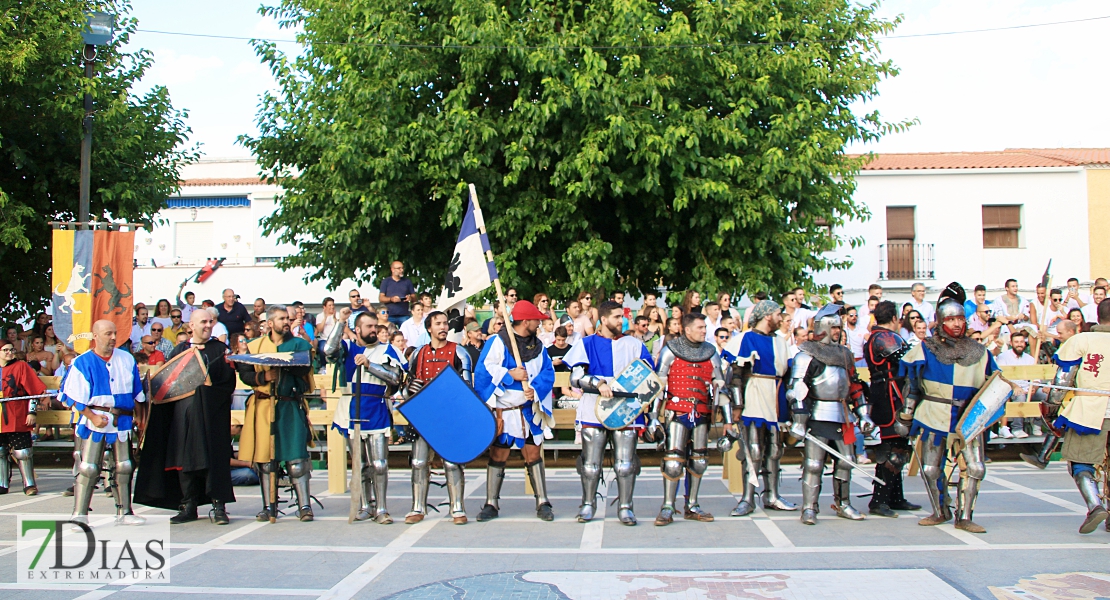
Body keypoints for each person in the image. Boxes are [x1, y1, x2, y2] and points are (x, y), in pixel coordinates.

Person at [899, 283, 999, 533]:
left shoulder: (980, 352)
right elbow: (912, 385)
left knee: (975, 467)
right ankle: (940, 509)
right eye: (951, 319)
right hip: (935, 413)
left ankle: (965, 516)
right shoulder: (926, 348)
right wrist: (906, 415)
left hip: (968, 416)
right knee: (932, 468)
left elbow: (994, 386)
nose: (956, 324)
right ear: (941, 321)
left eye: (960, 319)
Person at [134, 309, 237, 525]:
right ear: (191, 325)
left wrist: (209, 388)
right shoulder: (180, 350)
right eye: (203, 322)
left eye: (211, 321)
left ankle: (219, 507)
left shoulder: (220, 350)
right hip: (182, 415)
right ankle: (187, 505)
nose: (208, 325)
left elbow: (228, 384)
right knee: (182, 460)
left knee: (212, 459)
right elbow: (167, 384)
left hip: (210, 417)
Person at [566, 301, 655, 525]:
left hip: (625, 409)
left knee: (626, 464)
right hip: (593, 408)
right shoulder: (586, 343)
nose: (621, 321)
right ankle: (588, 504)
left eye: (622, 317)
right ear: (604, 320)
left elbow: (647, 374)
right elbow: (575, 377)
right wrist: (597, 382)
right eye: (616, 317)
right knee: (590, 464)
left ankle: (626, 507)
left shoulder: (634, 344)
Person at [786, 304, 873, 525]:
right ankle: (809, 507)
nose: (837, 331)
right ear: (823, 327)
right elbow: (797, 390)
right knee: (814, 464)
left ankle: (843, 503)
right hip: (818, 415)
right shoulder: (806, 355)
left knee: (847, 461)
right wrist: (799, 420)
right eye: (834, 327)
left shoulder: (845, 354)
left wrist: (863, 414)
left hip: (843, 415)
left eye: (839, 327)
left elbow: (854, 387)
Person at [473, 300, 556, 522]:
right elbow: (483, 371)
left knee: (533, 453)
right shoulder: (498, 342)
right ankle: (491, 503)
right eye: (536, 320)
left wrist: (536, 390)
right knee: (499, 454)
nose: (539, 323)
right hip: (506, 410)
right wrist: (510, 375)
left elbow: (548, 372)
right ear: (525, 321)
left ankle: (542, 501)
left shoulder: (538, 346)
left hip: (529, 408)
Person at [59, 320, 147, 525]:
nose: (113, 338)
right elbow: (73, 397)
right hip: (95, 419)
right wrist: (92, 417)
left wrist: (141, 418)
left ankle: (125, 512)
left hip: (123, 420)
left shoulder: (126, 359)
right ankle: (79, 515)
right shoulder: (82, 362)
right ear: (96, 336)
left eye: (115, 333)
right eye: (108, 333)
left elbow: (138, 394)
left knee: (124, 466)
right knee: (89, 467)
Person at [236, 305, 317, 522]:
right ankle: (268, 505)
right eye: (281, 318)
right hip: (264, 406)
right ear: (270, 323)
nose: (286, 322)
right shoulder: (256, 346)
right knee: (266, 461)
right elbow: (245, 372)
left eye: (287, 318)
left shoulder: (300, 344)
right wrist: (263, 378)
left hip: (289, 405)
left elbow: (305, 368)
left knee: (296, 460)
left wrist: (285, 364)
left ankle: (305, 506)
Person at [325, 307, 406, 523]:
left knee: (379, 464)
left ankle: (381, 508)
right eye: (368, 326)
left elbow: (396, 378)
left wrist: (370, 365)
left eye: (375, 326)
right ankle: (364, 504)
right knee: (360, 464)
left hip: (376, 407)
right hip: (351, 407)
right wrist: (340, 322)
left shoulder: (387, 349)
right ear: (357, 329)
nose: (373, 330)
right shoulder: (349, 348)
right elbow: (329, 351)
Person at [650, 312, 725, 526]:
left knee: (699, 460)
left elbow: (721, 386)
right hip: (677, 410)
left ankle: (692, 504)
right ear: (687, 329)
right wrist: (654, 417)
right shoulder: (670, 351)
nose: (704, 330)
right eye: (700, 327)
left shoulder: (711, 352)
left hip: (701, 411)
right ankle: (667, 506)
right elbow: (659, 387)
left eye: (704, 327)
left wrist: (727, 420)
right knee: (673, 462)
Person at [722, 300, 796, 516]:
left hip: (775, 394)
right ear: (767, 316)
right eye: (777, 314)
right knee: (753, 449)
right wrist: (737, 405)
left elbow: (788, 373)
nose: (780, 318)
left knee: (774, 450)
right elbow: (734, 374)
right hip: (754, 393)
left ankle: (772, 495)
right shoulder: (745, 338)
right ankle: (747, 498)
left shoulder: (781, 342)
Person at [402, 311, 473, 525]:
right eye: (438, 324)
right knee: (419, 462)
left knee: (452, 462)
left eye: (445, 323)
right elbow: (407, 387)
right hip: (424, 414)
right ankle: (417, 507)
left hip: (449, 414)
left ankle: (458, 508)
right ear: (429, 328)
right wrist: (409, 390)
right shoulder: (418, 354)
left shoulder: (459, 352)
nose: (443, 327)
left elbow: (468, 388)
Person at [1045, 299, 1110, 534]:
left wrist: (1051, 408)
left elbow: (1063, 379)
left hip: (1090, 408)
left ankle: (1095, 505)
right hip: (1093, 405)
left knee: (1080, 462)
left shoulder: (1082, 340)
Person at [863, 301, 921, 518]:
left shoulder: (882, 335)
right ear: (895, 318)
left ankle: (895, 496)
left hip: (893, 392)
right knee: (891, 449)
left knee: (900, 446)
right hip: (889, 395)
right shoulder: (883, 337)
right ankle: (879, 500)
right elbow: (907, 359)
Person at [0, 340, 46, 495]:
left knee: (23, 452)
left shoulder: (21, 366)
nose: (9, 353)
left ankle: (29, 484)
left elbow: (33, 390)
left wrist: (32, 412)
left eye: (11, 349)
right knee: (0, 451)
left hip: (18, 412)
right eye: (5, 350)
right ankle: (2, 483)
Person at [379, 261, 417, 327]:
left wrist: (410, 298)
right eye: (399, 268)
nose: (401, 270)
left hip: (404, 314)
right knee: (388, 334)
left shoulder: (407, 281)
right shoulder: (386, 281)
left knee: (405, 335)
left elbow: (414, 297)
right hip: (389, 314)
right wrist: (391, 299)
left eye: (402, 268)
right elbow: (381, 298)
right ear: (392, 269)